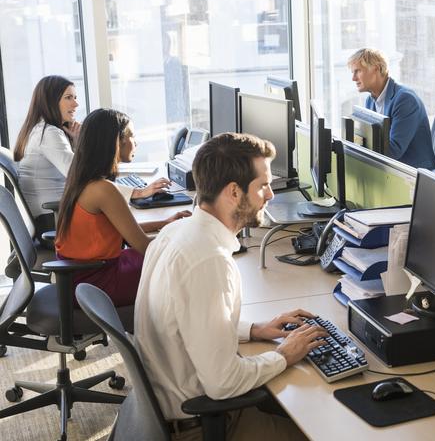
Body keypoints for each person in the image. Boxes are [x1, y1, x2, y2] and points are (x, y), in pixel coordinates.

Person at [135, 132, 326, 441]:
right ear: (234, 192)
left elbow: (185, 319)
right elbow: (222, 383)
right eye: (262, 185)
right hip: (203, 426)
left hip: (173, 406)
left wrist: (254, 330)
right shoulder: (208, 260)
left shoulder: (177, 233)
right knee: (323, 428)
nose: (270, 195)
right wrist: (285, 355)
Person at [55, 109, 190, 307]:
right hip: (97, 283)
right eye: (132, 136)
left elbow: (124, 231)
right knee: (182, 269)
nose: (136, 142)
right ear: (116, 142)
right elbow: (145, 246)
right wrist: (190, 245)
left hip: (81, 276)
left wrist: (165, 223)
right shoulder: (103, 189)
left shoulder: (82, 179)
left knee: (169, 260)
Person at [14, 75, 171, 241]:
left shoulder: (42, 130)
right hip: (53, 221)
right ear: (50, 101)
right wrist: (137, 192)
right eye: (68, 98)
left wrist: (75, 143)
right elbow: (83, 178)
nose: (76, 104)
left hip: (53, 217)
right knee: (124, 222)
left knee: (125, 222)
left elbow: (77, 172)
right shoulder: (49, 134)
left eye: (75, 97)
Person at [348, 48, 435, 169]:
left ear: (376, 68)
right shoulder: (370, 100)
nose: (353, 78)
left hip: (415, 175)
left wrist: (358, 144)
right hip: (391, 171)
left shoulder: (405, 100)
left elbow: (393, 151)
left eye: (357, 71)